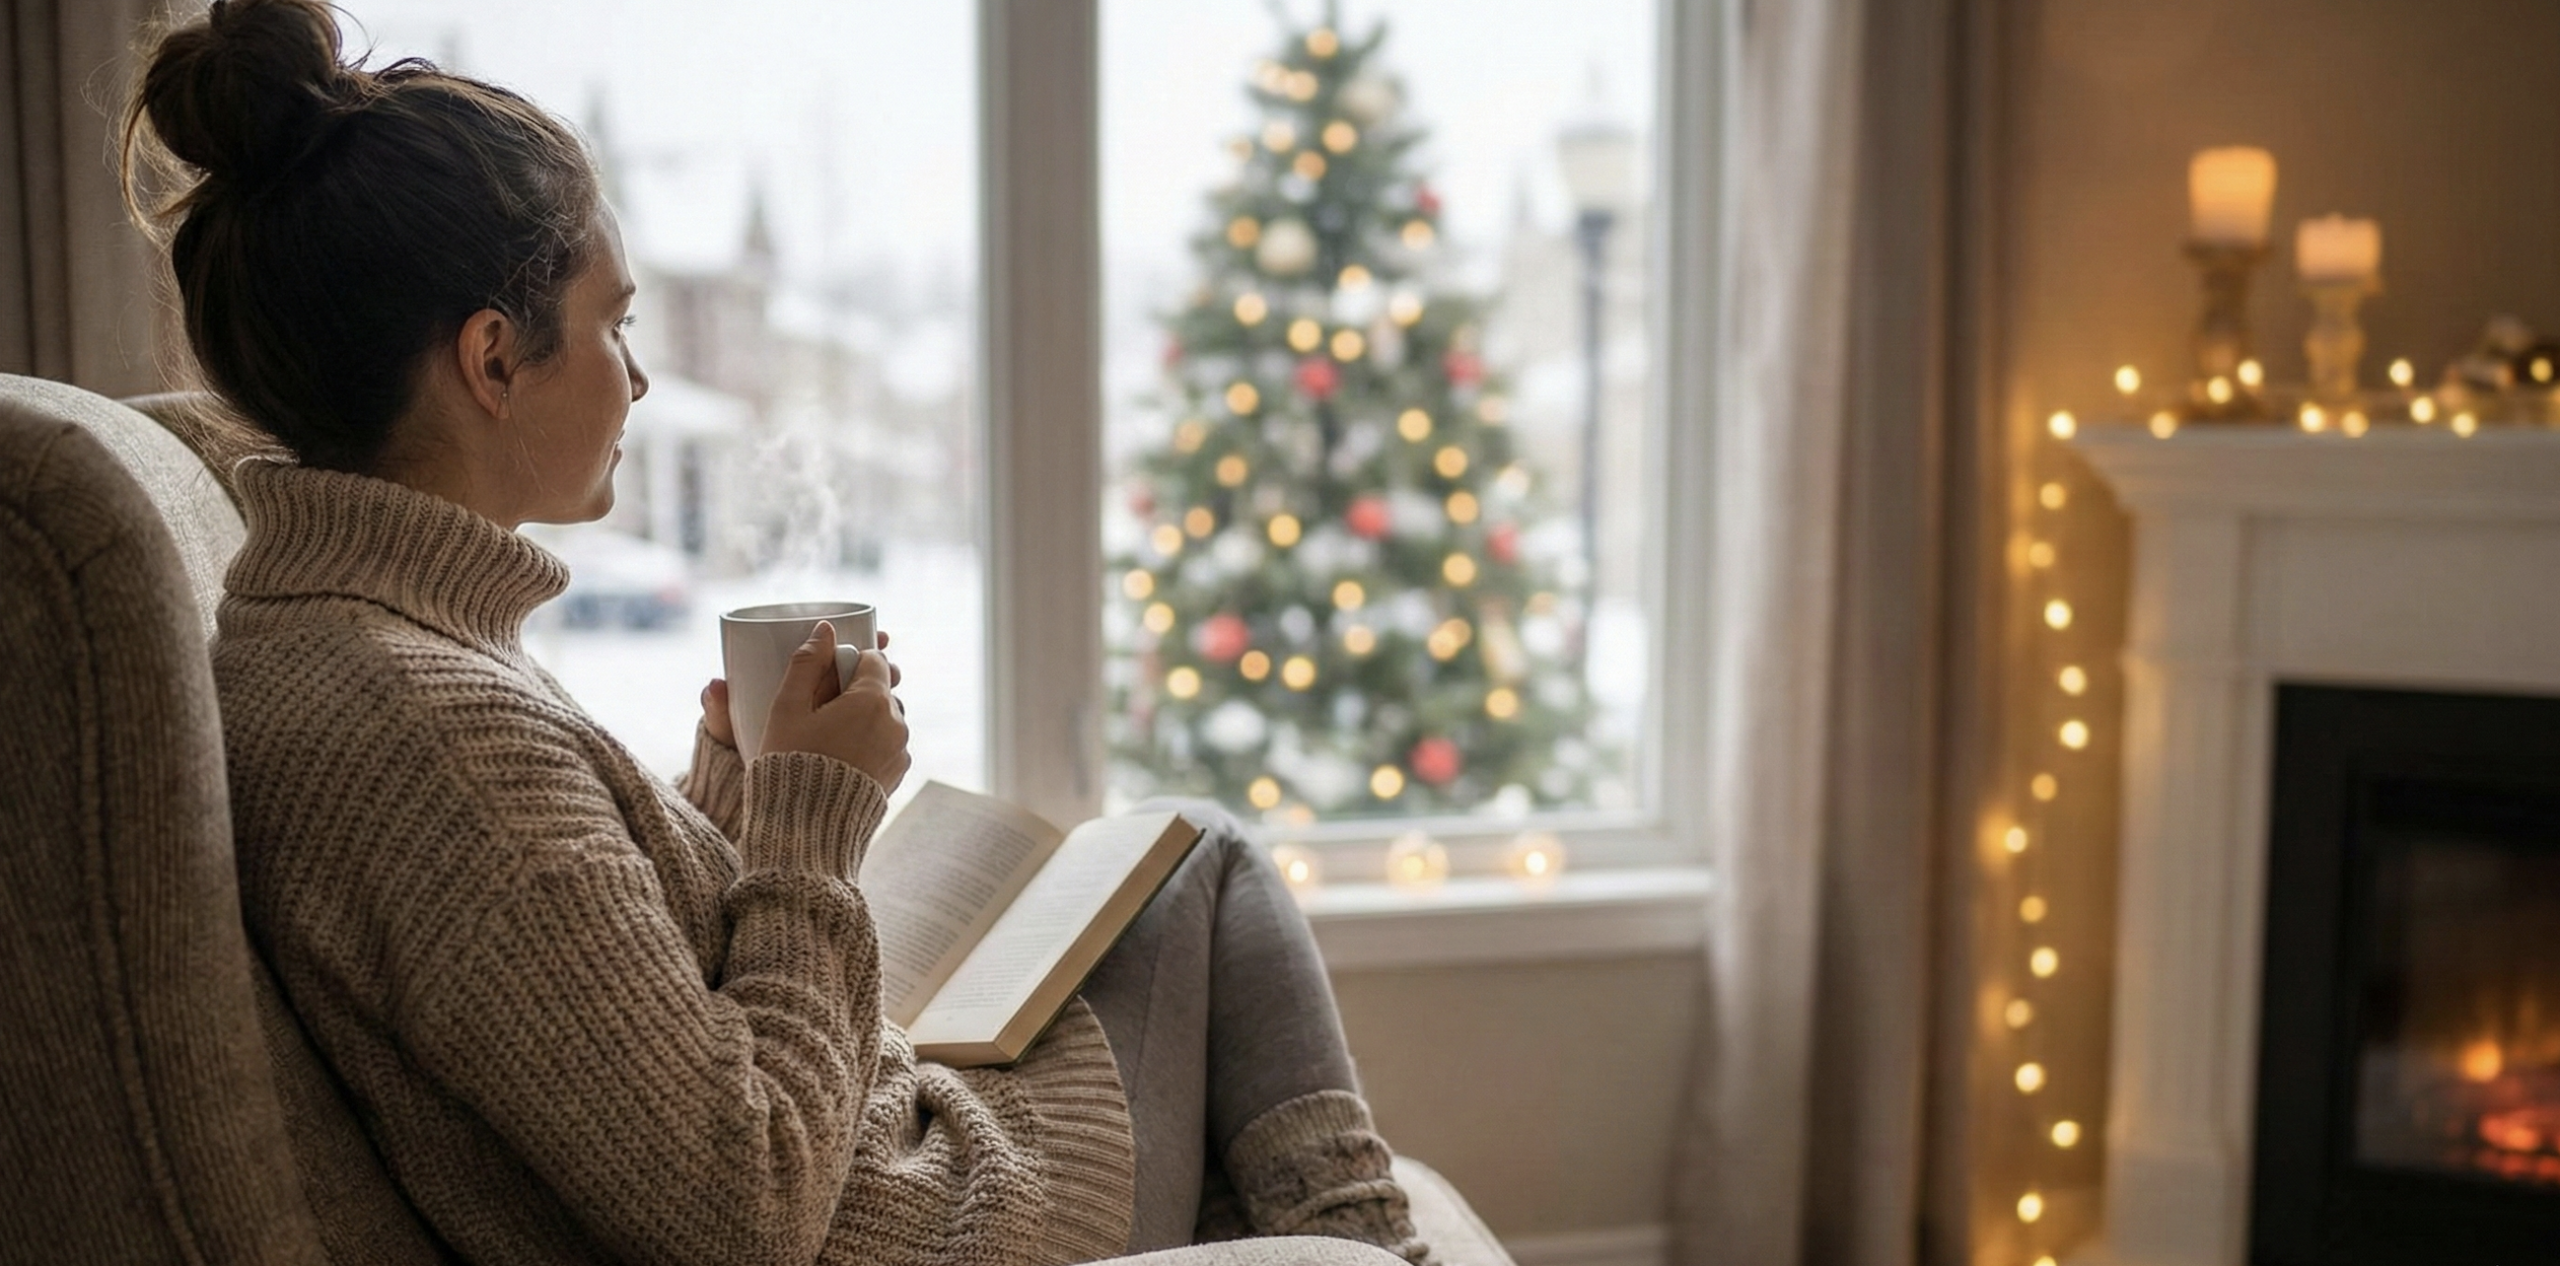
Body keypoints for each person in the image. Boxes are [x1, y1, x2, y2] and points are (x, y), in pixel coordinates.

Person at [123, 2, 1434, 1263]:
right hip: (912, 1221)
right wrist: (809, 830)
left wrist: (730, 819)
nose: (637, 377)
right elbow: (738, 1203)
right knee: (1205, 856)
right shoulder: (428, 727)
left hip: (877, 1150)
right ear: (492, 358)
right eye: (613, 323)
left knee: (1160, 880)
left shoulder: (344, 642)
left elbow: (595, 1006)